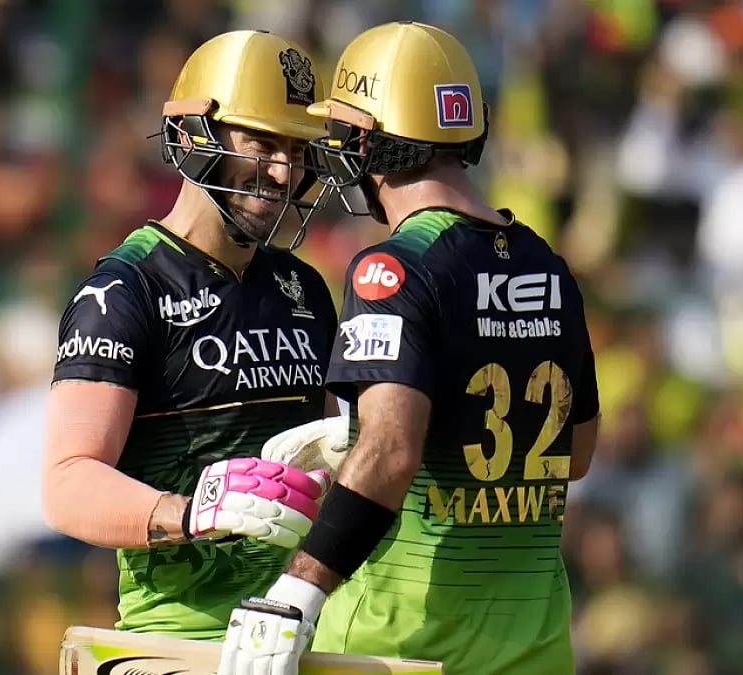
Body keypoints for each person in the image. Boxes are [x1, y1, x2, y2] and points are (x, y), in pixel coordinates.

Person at [217, 21, 601, 674]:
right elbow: (577, 453)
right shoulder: (546, 265)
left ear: (367, 142)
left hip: (402, 649)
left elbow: (393, 451)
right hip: (534, 650)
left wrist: (299, 588)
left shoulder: (392, 268)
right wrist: (374, 439)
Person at [42, 30, 342, 640]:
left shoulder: (305, 287)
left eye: (298, 148)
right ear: (194, 136)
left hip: (306, 629)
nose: (285, 171)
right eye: (263, 141)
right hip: (181, 638)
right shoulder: (125, 291)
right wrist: (192, 513)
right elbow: (67, 481)